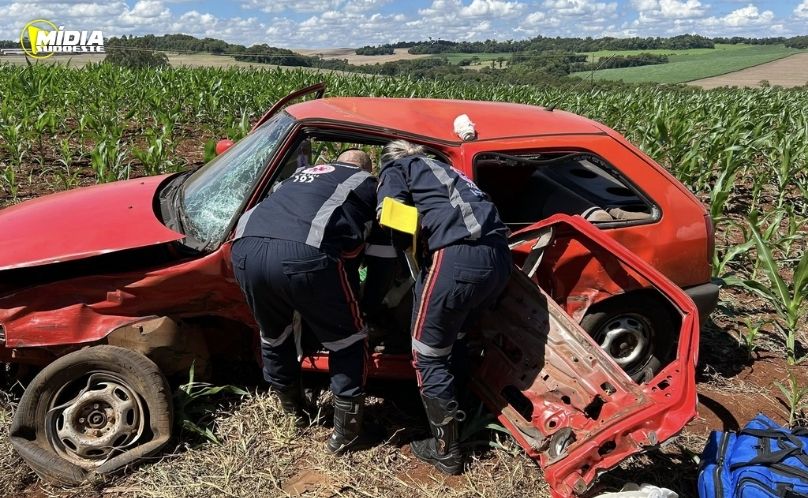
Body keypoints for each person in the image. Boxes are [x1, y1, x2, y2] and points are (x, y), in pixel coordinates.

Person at [231, 149, 392, 454]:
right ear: (367, 169)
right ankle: (348, 434)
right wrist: (368, 306)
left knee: (274, 334)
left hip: (244, 250)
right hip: (305, 256)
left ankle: (294, 413)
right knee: (349, 340)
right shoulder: (371, 184)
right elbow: (383, 259)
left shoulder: (297, 176)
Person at [376, 140, 512, 475]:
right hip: (498, 261)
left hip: (457, 256)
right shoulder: (451, 173)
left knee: (427, 354)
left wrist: (404, 251)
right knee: (457, 339)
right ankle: (462, 412)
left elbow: (391, 214)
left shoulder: (398, 168)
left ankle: (446, 452)